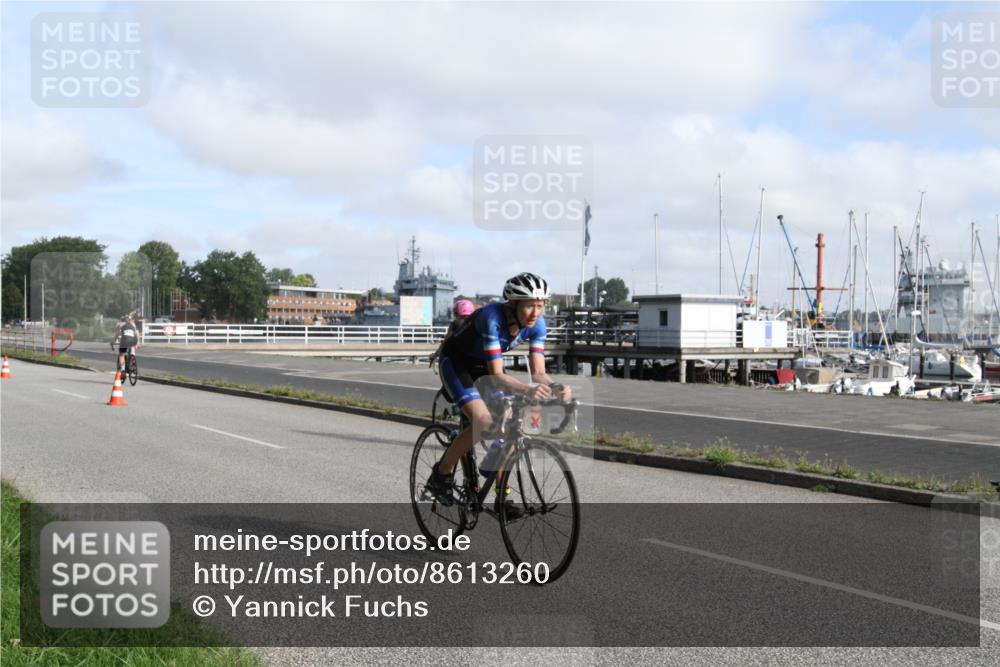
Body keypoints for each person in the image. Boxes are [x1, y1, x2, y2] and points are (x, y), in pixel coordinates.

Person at [426, 272, 571, 514]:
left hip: (485, 366)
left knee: (513, 427)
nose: (535, 313)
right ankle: (441, 474)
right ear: (513, 304)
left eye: (540, 306)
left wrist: (556, 386)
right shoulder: (491, 318)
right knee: (483, 422)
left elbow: (538, 372)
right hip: (458, 364)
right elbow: (496, 375)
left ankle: (502, 497)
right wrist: (527, 389)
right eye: (529, 306)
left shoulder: (537, 325)